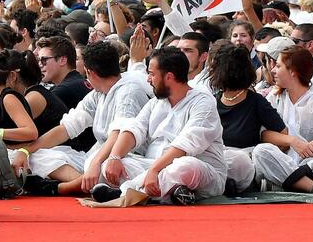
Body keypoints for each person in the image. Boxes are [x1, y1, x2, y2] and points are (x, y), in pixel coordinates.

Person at [11, 40, 152, 197]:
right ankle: (84, 184)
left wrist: (96, 163)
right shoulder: (97, 94)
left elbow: (119, 135)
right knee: (39, 154)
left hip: (126, 159)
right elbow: (66, 128)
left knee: (107, 167)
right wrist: (25, 150)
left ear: (90, 72)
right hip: (95, 158)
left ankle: (66, 187)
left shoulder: (129, 92)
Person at [90, 47, 227, 205]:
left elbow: (185, 145)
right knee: (109, 164)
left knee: (186, 166)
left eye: (152, 74)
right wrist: (115, 156)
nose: (148, 79)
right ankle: (171, 193)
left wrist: (154, 170)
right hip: (153, 169)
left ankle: (126, 193)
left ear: (169, 77)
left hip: (200, 172)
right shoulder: (156, 102)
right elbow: (135, 129)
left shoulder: (203, 101)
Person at [251, 46, 313, 193]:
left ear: (293, 71)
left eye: (278, 66)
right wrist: (293, 141)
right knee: (261, 151)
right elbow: (264, 134)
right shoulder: (274, 97)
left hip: (312, 161)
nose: (273, 70)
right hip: (282, 160)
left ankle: (284, 184)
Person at [210, 43, 289, 194]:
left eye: (214, 68)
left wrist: (254, 153)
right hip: (216, 161)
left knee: (234, 159)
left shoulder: (256, 101)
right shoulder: (211, 101)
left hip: (244, 163)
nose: (211, 72)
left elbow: (283, 137)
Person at [35, 35, 92, 110]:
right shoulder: (77, 81)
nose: (40, 65)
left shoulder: (63, 90)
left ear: (62, 60)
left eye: (44, 60)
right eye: (38, 60)